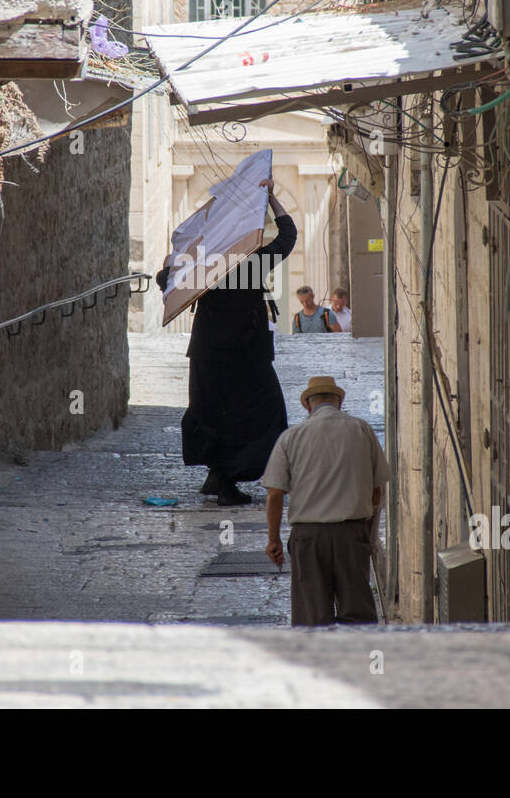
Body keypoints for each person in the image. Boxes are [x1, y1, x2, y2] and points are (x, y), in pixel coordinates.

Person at [155, 178, 296, 506]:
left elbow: (166, 280)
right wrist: (273, 198)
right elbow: (288, 236)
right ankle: (227, 481)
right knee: (261, 413)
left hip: (208, 353)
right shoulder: (250, 262)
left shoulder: (207, 265)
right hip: (245, 354)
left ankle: (218, 475)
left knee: (213, 413)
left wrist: (173, 260)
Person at [262, 375, 390, 626]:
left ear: (307, 405)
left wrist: (273, 539)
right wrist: (367, 532)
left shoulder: (291, 437)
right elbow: (377, 489)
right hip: (352, 532)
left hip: (308, 537)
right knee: (357, 614)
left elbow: (274, 493)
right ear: (339, 402)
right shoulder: (362, 429)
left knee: (312, 615)